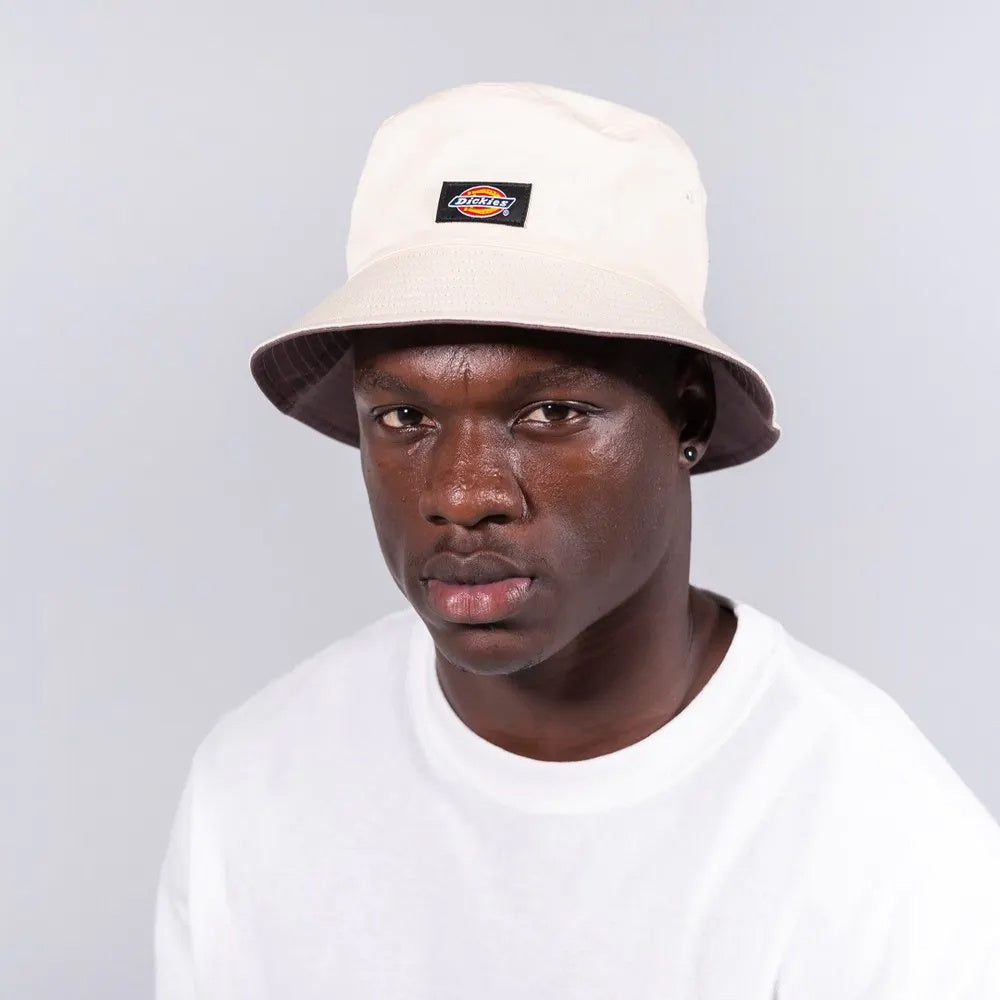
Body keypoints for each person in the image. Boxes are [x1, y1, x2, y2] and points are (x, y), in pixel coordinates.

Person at [155, 82, 1000, 998]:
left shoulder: (883, 844)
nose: (461, 494)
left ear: (688, 414)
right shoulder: (259, 785)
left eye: (552, 411)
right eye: (404, 417)